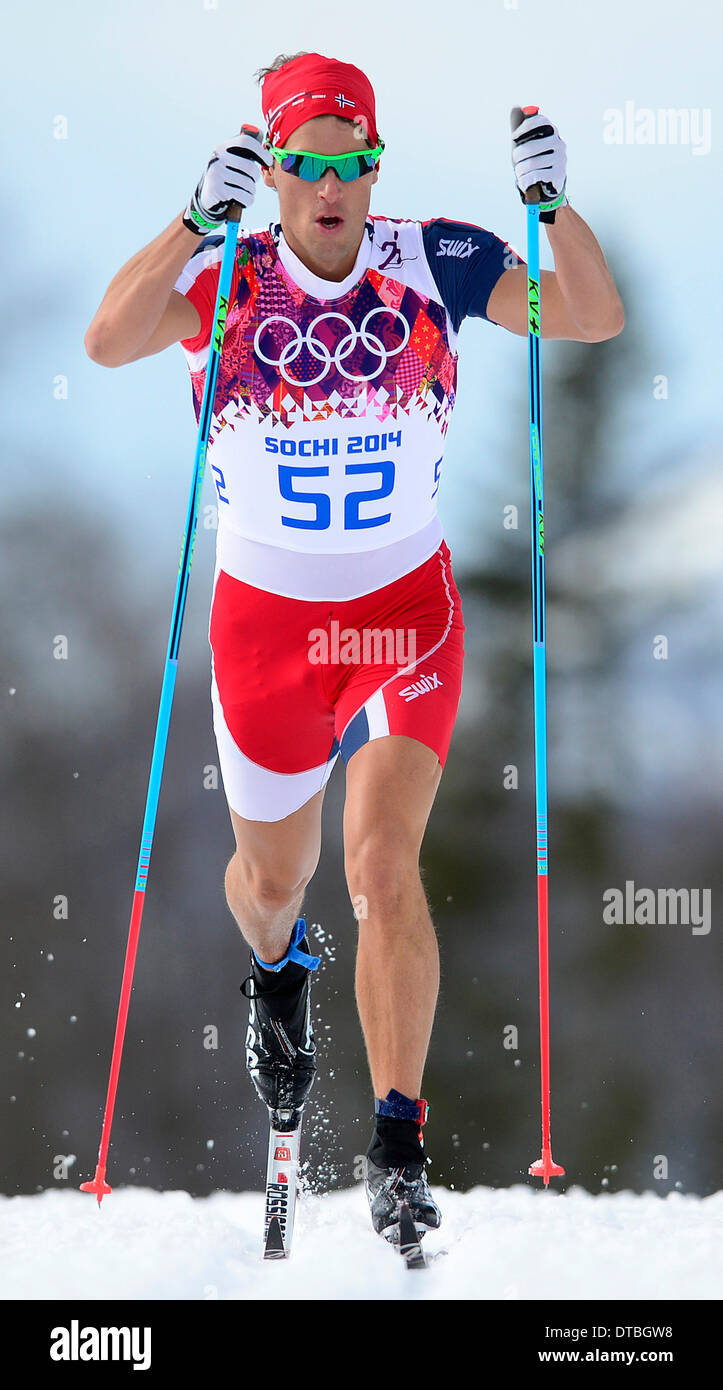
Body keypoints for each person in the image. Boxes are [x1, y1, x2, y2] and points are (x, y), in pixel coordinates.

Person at [84, 51, 623, 1247]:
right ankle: (280, 979)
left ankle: (395, 1144)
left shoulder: (432, 259)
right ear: (273, 170)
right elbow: (109, 339)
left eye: (355, 163)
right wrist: (188, 221)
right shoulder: (232, 273)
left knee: (382, 867)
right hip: (264, 631)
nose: (333, 188)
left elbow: (589, 314)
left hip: (401, 617)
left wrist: (552, 208)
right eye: (308, 165)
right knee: (274, 887)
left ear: (378, 169)